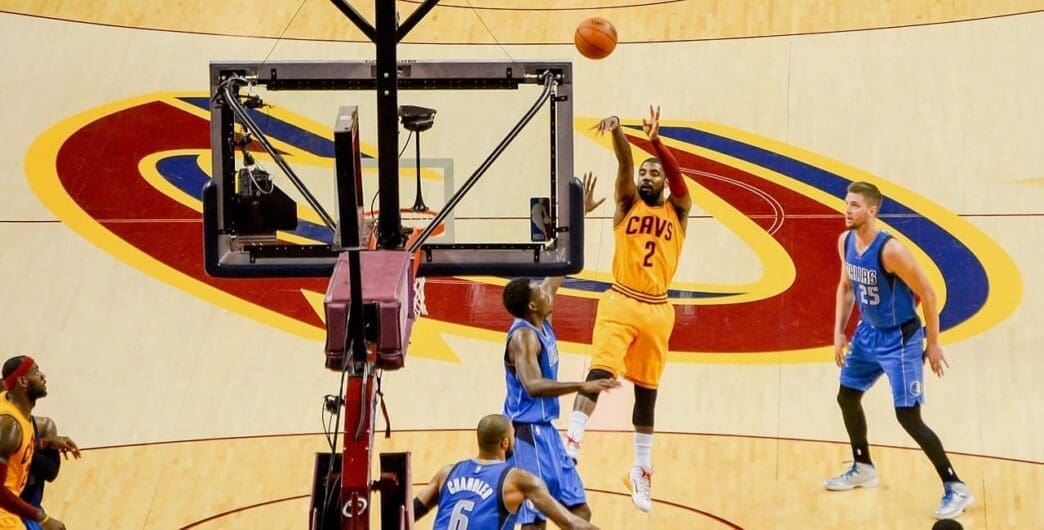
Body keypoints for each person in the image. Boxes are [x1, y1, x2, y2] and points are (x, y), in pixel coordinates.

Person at [565, 106, 692, 512]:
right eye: (644, 173)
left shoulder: (680, 210)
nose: (647, 177)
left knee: (647, 395)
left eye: (654, 174)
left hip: (658, 309)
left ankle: (640, 469)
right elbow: (624, 161)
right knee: (599, 373)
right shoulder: (626, 204)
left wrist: (656, 142)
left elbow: (678, 179)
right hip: (620, 300)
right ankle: (573, 441)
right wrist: (620, 132)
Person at [825, 181, 973, 520]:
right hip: (867, 334)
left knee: (908, 417)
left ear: (872, 211)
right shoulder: (845, 241)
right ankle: (863, 466)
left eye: (855, 205)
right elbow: (846, 287)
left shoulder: (891, 251)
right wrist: (838, 332)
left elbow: (929, 294)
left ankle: (956, 486)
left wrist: (933, 343)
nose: (847, 210)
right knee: (847, 397)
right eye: (847, 204)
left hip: (900, 340)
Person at [501, 173, 620, 529]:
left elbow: (562, 264)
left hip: (548, 432)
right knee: (536, 522)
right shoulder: (524, 338)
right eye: (539, 290)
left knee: (580, 511)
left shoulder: (541, 313)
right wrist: (580, 386)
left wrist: (579, 215)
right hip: (527, 433)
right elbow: (534, 387)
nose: (545, 289)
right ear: (532, 306)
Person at [413, 414, 598, 530]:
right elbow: (572, 524)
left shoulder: (447, 473)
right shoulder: (517, 480)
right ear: (505, 443)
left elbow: (407, 512)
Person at [0, 356, 78, 530]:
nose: (43, 376)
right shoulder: (9, 425)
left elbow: (15, 448)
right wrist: (42, 518)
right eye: (35, 371)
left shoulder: (10, 402)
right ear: (22, 381)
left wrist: (45, 443)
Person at [21, 415, 74, 530]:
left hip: (31, 511)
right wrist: (44, 443)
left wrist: (41, 444)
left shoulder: (43, 425)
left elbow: (51, 473)